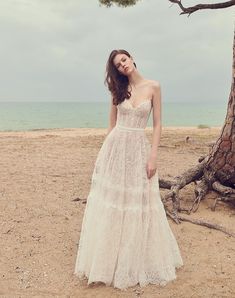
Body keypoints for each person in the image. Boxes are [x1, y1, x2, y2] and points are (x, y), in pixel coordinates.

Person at [74, 49, 183, 290]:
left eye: (123, 60)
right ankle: (107, 260)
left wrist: (153, 155)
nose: (122, 65)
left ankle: (135, 259)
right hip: (117, 148)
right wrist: (106, 155)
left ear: (132, 58)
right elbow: (111, 126)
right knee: (114, 201)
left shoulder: (154, 86)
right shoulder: (118, 90)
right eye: (117, 65)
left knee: (139, 202)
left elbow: (157, 124)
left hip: (139, 150)